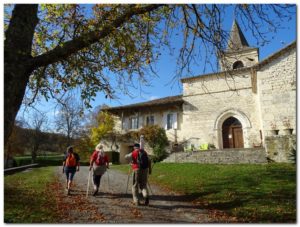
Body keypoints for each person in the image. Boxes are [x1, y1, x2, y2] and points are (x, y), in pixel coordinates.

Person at [125, 142, 152, 206]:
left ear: (134, 147)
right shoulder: (144, 152)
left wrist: (132, 161)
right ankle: (146, 195)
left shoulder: (134, 152)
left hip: (136, 169)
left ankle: (136, 201)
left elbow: (126, 157)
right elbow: (149, 160)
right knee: (143, 185)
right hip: (145, 170)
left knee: (135, 185)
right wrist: (150, 170)